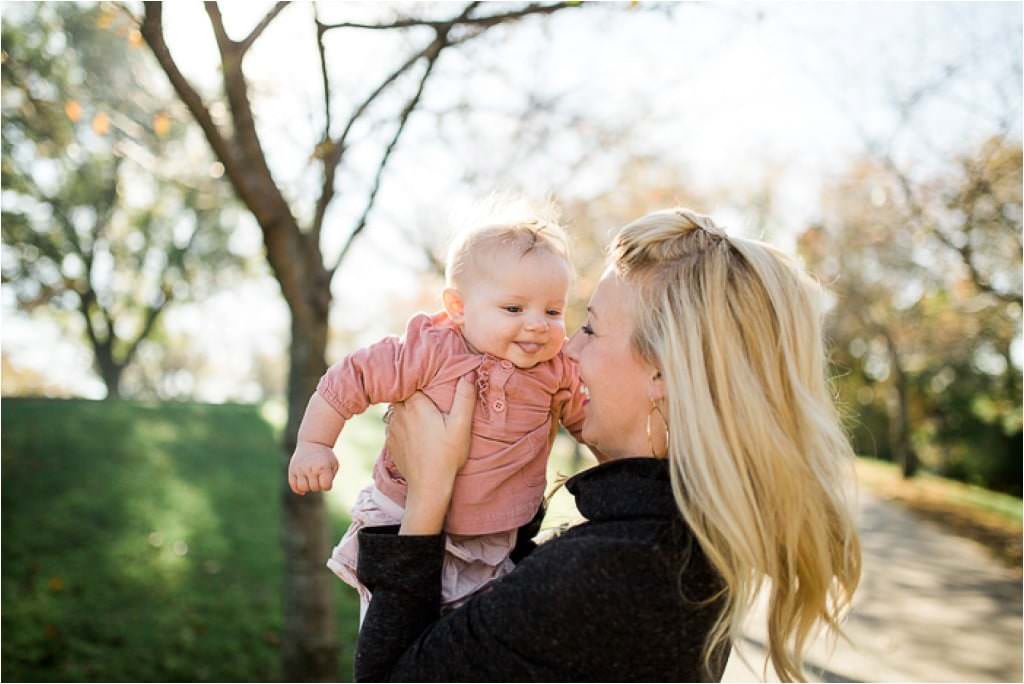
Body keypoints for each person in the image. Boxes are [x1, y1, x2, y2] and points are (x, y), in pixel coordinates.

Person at [352, 208, 863, 682]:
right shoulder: (671, 540)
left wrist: (428, 496)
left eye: (591, 328)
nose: (568, 347)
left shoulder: (614, 570)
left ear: (664, 375)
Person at [286, 217, 588, 621]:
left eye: (553, 311)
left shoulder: (556, 368)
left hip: (493, 537)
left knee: (463, 644)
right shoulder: (429, 350)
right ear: (458, 308)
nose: (536, 324)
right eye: (514, 308)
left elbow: (589, 420)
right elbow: (352, 376)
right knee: (396, 626)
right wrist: (315, 444)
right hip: (401, 518)